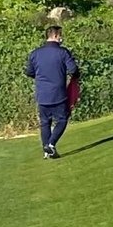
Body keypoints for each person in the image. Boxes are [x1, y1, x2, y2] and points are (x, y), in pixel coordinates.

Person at [24, 26, 79, 159]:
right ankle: (51, 144)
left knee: (45, 122)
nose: (61, 38)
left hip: (42, 94)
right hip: (58, 94)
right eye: (60, 35)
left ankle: (46, 150)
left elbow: (29, 72)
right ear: (55, 36)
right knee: (62, 119)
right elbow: (73, 70)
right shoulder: (63, 52)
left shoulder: (35, 53)